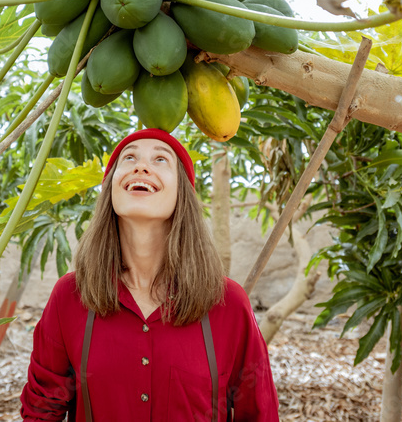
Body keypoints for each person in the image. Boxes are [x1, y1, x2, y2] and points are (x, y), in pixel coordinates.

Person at [20, 128, 280, 421]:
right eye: (129, 158)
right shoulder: (69, 297)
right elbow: (41, 412)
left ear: (183, 192)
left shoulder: (229, 303)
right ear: (110, 190)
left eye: (160, 159)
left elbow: (259, 414)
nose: (141, 166)